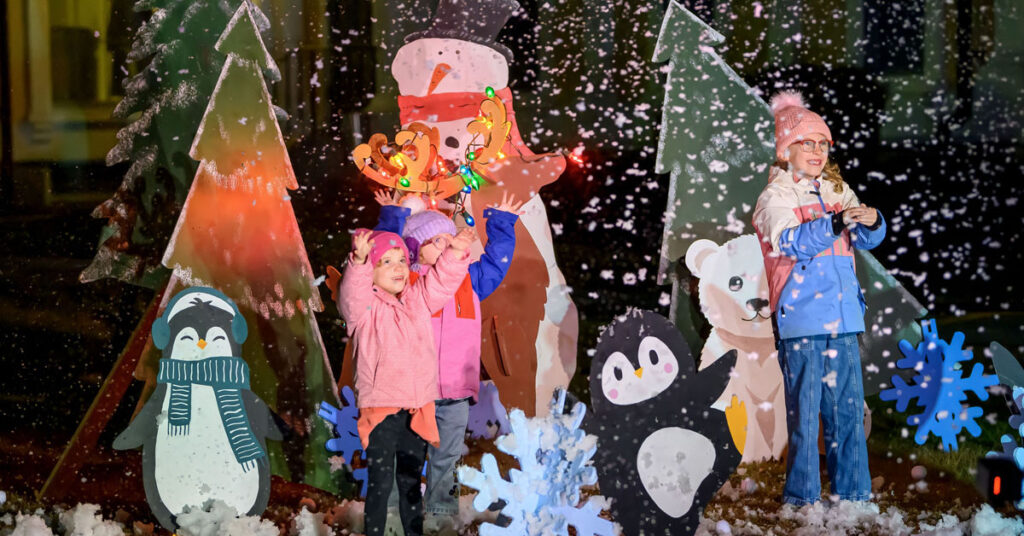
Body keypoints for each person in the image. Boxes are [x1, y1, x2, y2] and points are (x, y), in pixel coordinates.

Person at [752, 91, 886, 507]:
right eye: (806, 143)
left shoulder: (836, 189)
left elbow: (866, 238)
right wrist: (835, 221)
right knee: (806, 418)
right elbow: (790, 242)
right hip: (803, 321)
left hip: (843, 319)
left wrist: (872, 221)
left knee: (847, 413)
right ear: (785, 150)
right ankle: (802, 500)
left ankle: (854, 496)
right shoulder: (775, 196)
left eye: (823, 143)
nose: (816, 151)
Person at [372, 190, 521, 533]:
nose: (446, 244)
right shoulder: (405, 282)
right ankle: (396, 513)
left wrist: (501, 223)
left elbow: (497, 261)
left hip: (455, 391)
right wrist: (393, 217)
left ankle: (441, 514)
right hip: (413, 392)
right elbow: (381, 254)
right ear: (416, 247)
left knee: (448, 457)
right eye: (436, 240)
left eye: (448, 238)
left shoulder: (469, 280)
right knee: (406, 457)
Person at [337, 226, 475, 536]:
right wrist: (359, 263)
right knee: (381, 482)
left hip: (416, 409)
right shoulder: (364, 308)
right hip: (381, 409)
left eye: (401, 260)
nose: (398, 268)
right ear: (372, 271)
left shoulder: (417, 299)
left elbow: (441, 281)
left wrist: (455, 252)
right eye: (386, 262)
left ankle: (414, 531)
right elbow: (351, 294)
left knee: (411, 480)